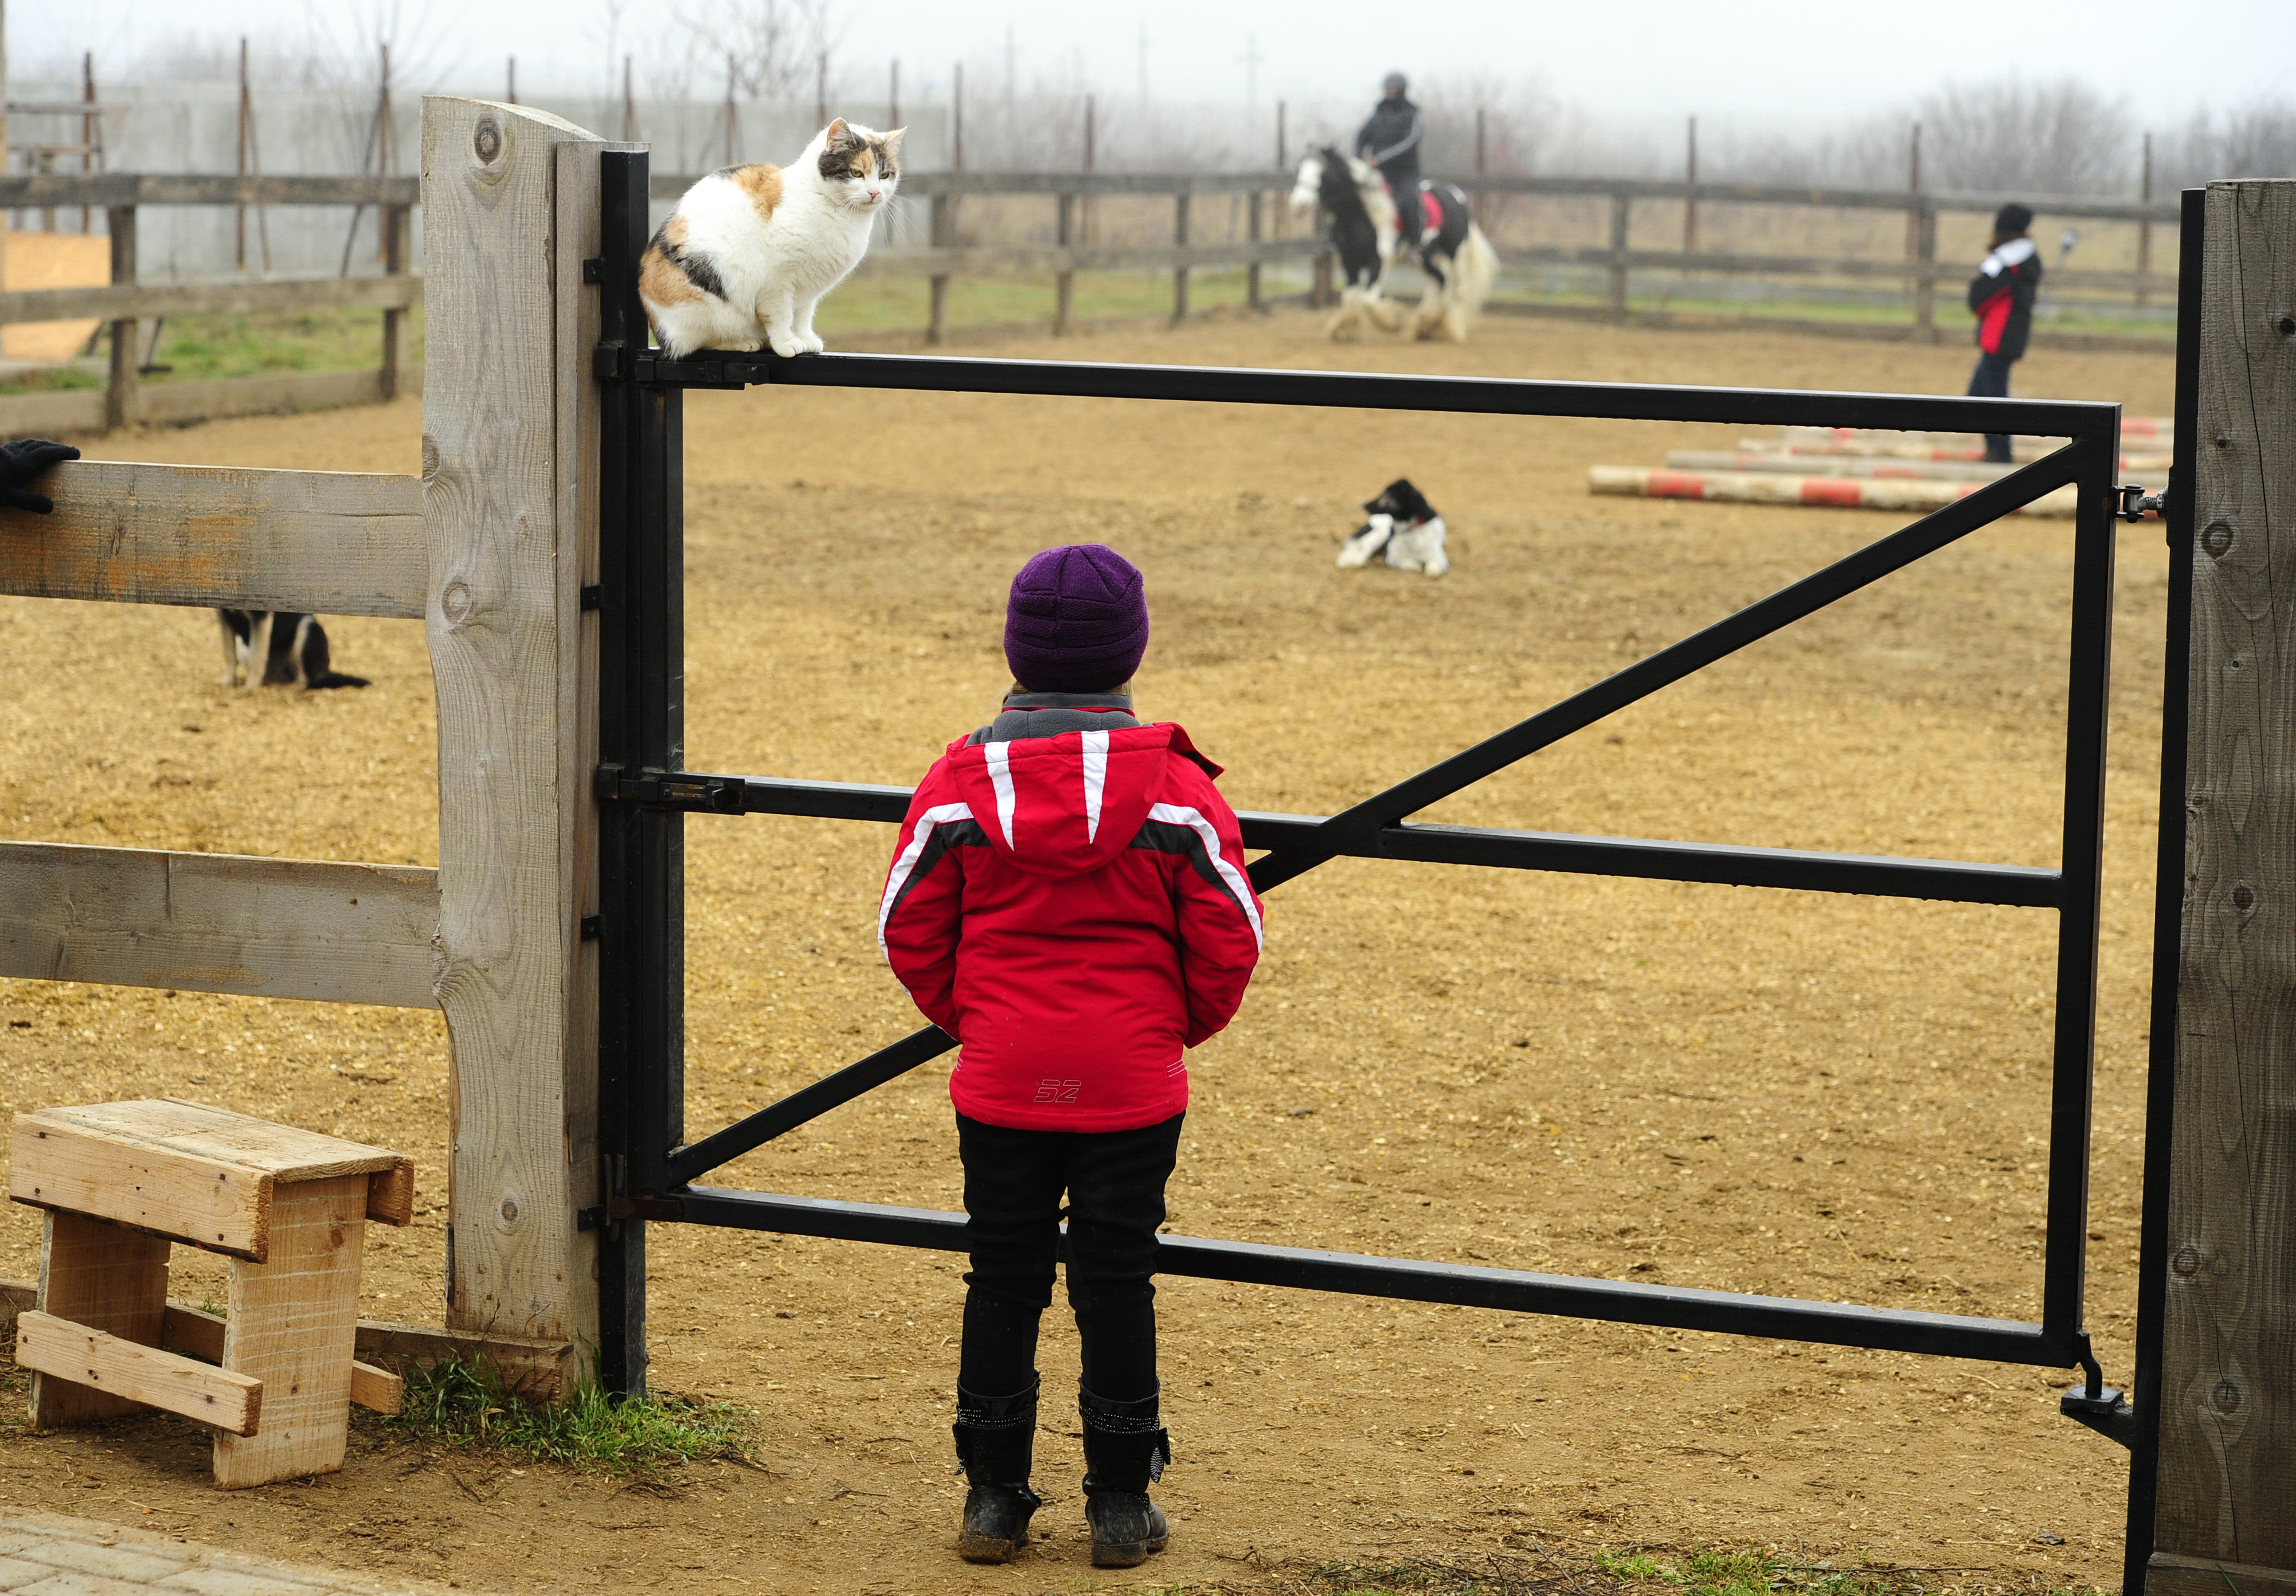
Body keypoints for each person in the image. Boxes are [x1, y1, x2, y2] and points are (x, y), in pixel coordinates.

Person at [877, 543, 1263, 1571]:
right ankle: (1122, 1503)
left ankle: (994, 1497)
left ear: (1016, 646)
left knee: (1002, 1274)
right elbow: (1231, 932)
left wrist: (978, 1016)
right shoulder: (1177, 789)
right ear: (1129, 652)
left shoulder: (960, 784)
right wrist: (1173, 1027)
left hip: (1004, 1072)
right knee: (1117, 1278)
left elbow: (906, 922)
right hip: (1132, 1080)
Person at [1966, 202, 2043, 463]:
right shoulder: (2019, 260)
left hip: (2001, 338)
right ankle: (1996, 449)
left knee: (1993, 399)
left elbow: (1980, 296)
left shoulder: (2012, 263)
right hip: (2000, 338)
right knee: (1978, 396)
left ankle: (2002, 453)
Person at [1356, 71, 1426, 249]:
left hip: (1406, 173)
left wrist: (1381, 159)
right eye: (1387, 89)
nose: (1389, 93)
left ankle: (1413, 243)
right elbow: (1363, 135)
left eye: (1392, 90)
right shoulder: (1379, 113)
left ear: (1401, 91)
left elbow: (1409, 143)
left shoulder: (1412, 115)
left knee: (1409, 201)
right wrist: (1358, 156)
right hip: (1379, 173)